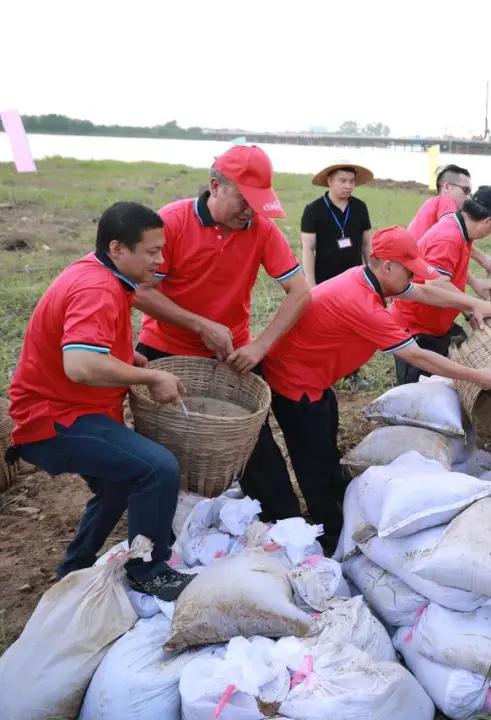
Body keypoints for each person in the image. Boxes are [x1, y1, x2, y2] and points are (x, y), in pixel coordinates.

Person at [259, 227, 491, 550]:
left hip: (316, 379)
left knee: (326, 447)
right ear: (386, 266)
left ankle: (336, 506)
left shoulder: (369, 278)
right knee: (313, 464)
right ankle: (330, 535)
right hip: (295, 383)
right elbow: (417, 356)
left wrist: (473, 304)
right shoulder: (361, 302)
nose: (412, 279)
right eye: (409, 270)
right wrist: (476, 376)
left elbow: (425, 293)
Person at [5, 203, 192, 600]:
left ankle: (74, 568)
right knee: (158, 468)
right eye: (152, 251)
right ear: (117, 249)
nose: (160, 260)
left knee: (117, 485)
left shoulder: (99, 271)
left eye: (162, 249)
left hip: (66, 407)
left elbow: (91, 345)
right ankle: (149, 570)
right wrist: (151, 374)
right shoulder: (98, 289)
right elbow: (80, 364)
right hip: (54, 418)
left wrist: (128, 355)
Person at [133, 145, 312, 522]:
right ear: (215, 187)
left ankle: (287, 526)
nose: (250, 212)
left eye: (258, 204)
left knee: (253, 445)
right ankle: (162, 528)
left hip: (230, 355)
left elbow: (300, 291)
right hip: (165, 350)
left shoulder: (262, 230)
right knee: (167, 446)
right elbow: (140, 292)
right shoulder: (173, 222)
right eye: (243, 201)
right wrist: (199, 324)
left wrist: (260, 346)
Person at [391, 186, 491, 384]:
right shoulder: (449, 237)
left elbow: (452, 274)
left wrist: (467, 310)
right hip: (416, 327)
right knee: (418, 394)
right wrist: (474, 304)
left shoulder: (462, 229)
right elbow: (436, 283)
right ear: (488, 222)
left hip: (435, 322)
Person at [408, 164, 491, 274]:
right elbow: (453, 230)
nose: (469, 197)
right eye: (465, 190)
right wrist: (484, 260)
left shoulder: (433, 203)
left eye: (470, 192)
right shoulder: (446, 202)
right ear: (447, 187)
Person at [300, 162, 374, 287]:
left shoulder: (360, 207)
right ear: (330, 181)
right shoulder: (313, 210)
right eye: (343, 181)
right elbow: (308, 248)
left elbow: (366, 244)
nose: (348, 186)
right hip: (324, 279)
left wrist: (372, 276)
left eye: (351, 181)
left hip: (355, 278)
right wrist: (311, 283)